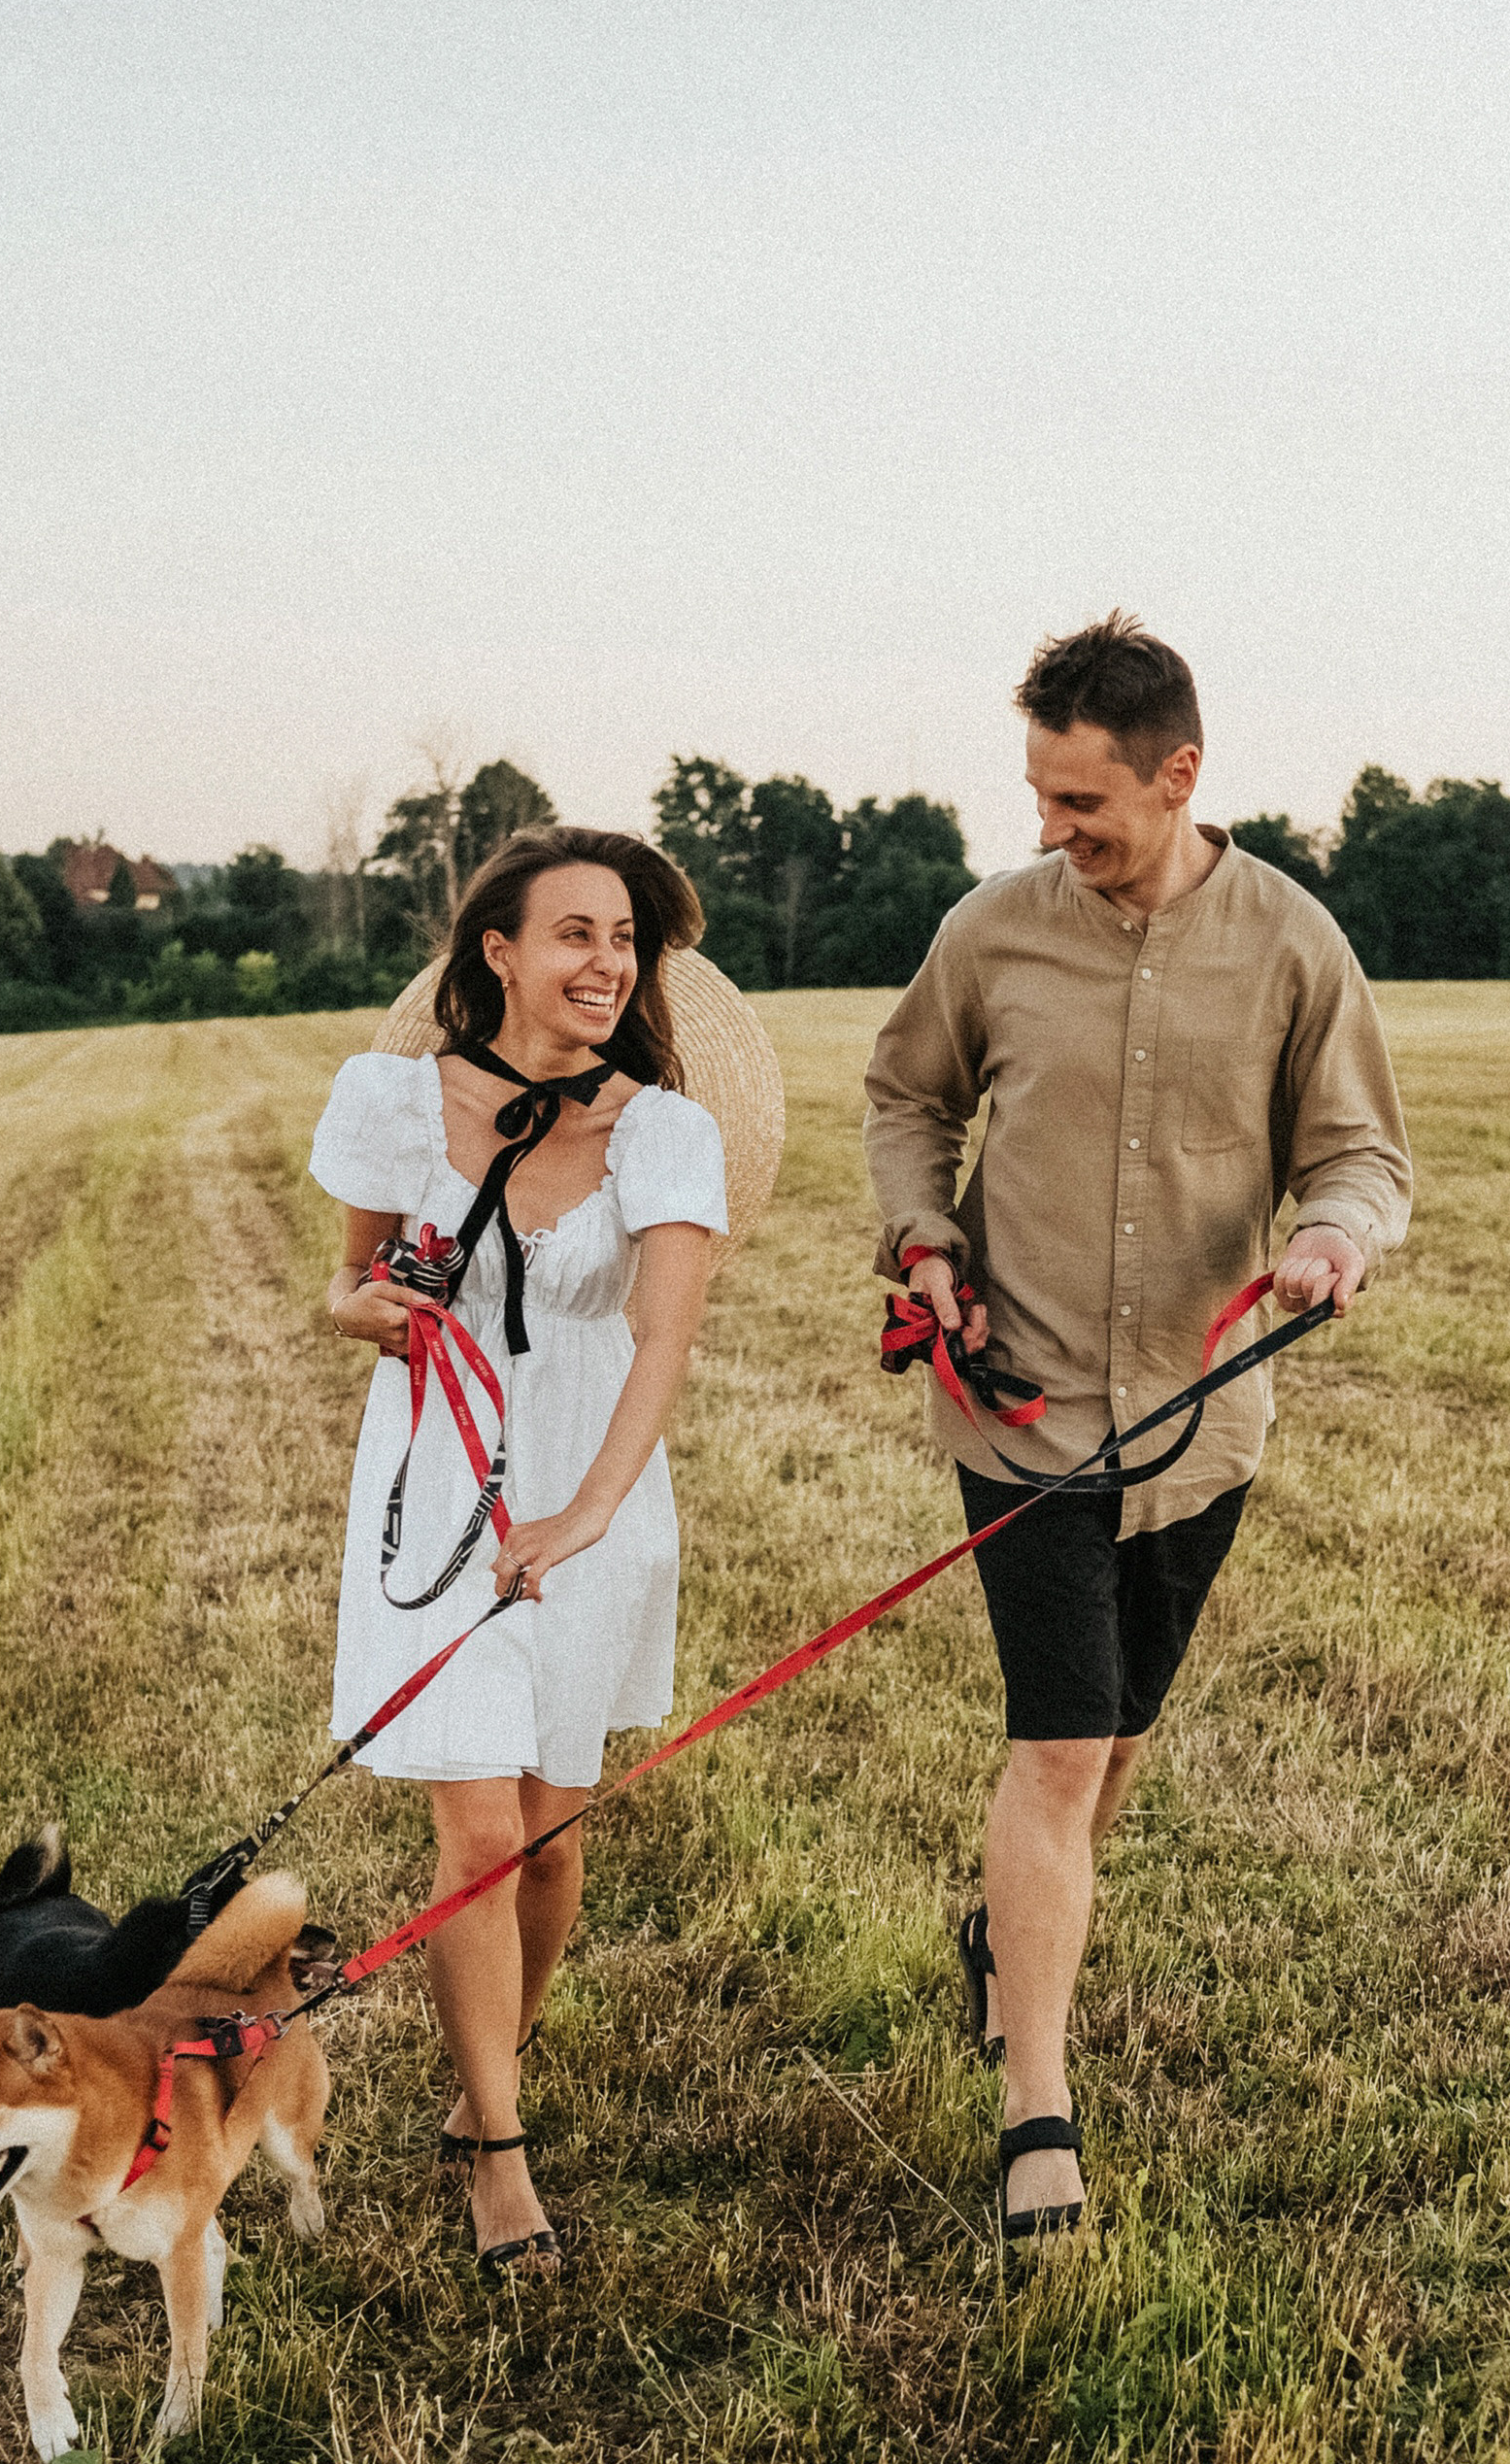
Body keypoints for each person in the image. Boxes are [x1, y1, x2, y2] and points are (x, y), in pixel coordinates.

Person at [862, 614, 1411, 2251]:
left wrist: (1335, 1241)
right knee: (1060, 1739)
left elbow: (1362, 1153)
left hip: (1199, 1424)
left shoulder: (1296, 943)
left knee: (1118, 1744)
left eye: (1083, 801)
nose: (1051, 829)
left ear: (1180, 776)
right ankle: (1039, 2103)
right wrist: (925, 1242)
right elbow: (906, 1099)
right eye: (1037, 794)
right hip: (1016, 1411)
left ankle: (1004, 1937)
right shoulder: (992, 931)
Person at [310, 827, 728, 2276]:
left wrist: (589, 1512)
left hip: (591, 1480)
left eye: (625, 941)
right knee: (477, 1828)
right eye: (576, 934)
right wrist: (360, 1309)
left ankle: (498, 2048)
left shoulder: (664, 1130)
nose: (607, 964)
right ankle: (497, 2142)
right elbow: (360, 1280)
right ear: (497, 950)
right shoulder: (392, 1100)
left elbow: (663, 1340)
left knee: (550, 1835)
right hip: (439, 1476)